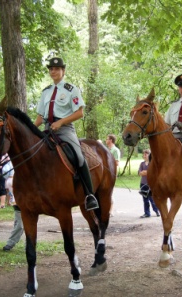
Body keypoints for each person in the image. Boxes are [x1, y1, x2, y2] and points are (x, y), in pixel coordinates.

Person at [34, 57, 98, 211]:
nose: (53, 71)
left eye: (56, 69)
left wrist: (61, 122)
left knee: (78, 156)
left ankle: (89, 195)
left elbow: (80, 113)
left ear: (63, 71)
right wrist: (30, 128)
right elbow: (40, 117)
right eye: (51, 69)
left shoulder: (71, 90)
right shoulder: (46, 92)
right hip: (47, 128)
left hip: (65, 129)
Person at [138, 149, 160, 218]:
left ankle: (157, 211)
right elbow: (139, 172)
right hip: (143, 183)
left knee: (152, 199)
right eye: (143, 154)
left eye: (146, 154)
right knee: (145, 200)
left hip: (150, 184)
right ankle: (147, 213)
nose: (144, 155)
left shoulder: (152, 163)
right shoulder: (142, 164)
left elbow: (154, 172)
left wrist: (147, 172)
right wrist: (143, 173)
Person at [106, 134, 121, 216]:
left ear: (111, 140)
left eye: (107, 139)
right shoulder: (106, 149)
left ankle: (111, 210)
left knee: (110, 192)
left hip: (111, 173)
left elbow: (117, 163)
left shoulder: (115, 150)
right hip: (105, 173)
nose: (106, 140)